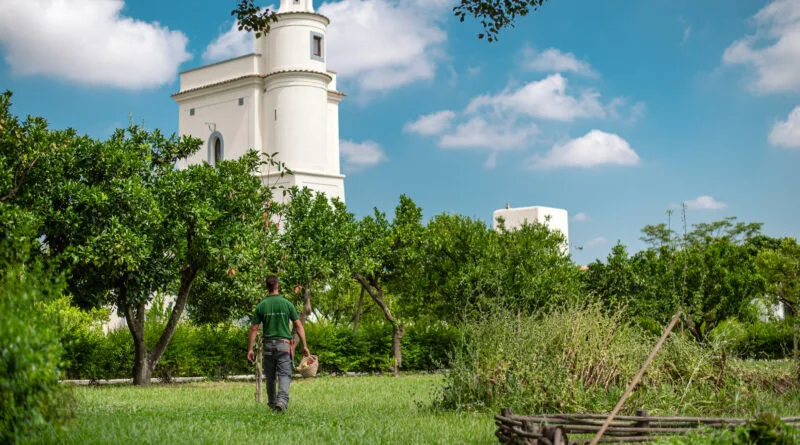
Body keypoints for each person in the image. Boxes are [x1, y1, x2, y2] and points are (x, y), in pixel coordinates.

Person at [247, 275, 310, 412]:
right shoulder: (287, 304)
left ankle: (272, 403)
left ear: (267, 288)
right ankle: (281, 401)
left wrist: (250, 349)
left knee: (270, 377)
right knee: (284, 374)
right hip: (284, 345)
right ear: (278, 286)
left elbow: (253, 329)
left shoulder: (261, 306)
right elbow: (298, 326)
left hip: (268, 346)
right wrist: (304, 346)